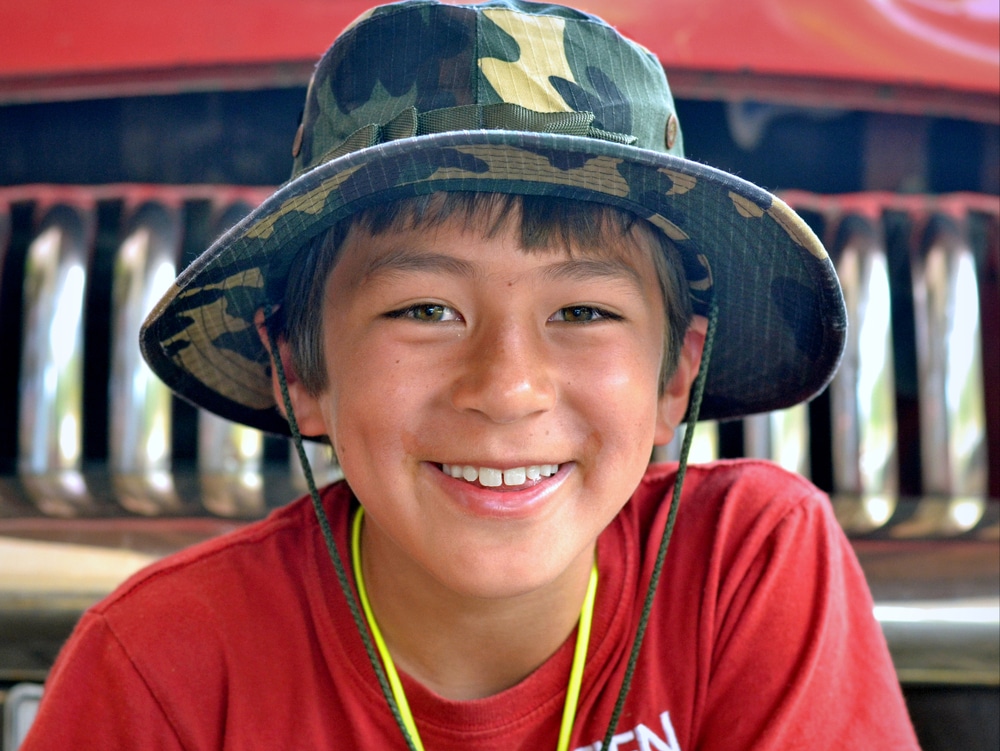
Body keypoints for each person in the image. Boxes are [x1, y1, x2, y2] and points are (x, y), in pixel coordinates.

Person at [22, 1, 919, 748]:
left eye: (583, 313)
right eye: (423, 310)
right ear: (298, 367)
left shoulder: (743, 566)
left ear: (675, 376)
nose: (507, 386)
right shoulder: (161, 667)